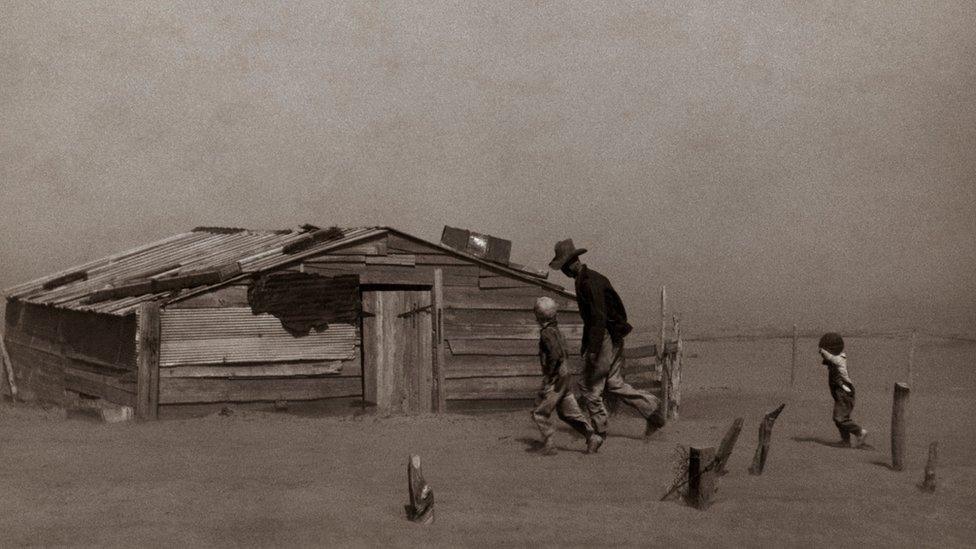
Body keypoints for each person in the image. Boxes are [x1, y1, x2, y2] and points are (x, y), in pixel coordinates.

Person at [548, 239, 664, 443]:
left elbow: (598, 318)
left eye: (564, 267)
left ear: (572, 263)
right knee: (614, 383)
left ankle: (599, 432)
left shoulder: (589, 283)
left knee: (588, 385)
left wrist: (593, 350)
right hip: (612, 336)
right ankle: (652, 412)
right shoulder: (587, 279)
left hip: (605, 337)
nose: (564, 272)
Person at [531, 297, 603, 455]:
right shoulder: (558, 331)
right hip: (565, 377)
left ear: (538, 316)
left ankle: (549, 444)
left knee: (539, 411)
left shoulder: (546, 333)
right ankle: (592, 436)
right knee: (567, 412)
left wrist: (550, 376)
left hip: (556, 377)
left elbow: (555, 355)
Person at [818, 332, 868, 448]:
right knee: (840, 418)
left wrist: (822, 349)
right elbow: (827, 359)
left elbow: (829, 357)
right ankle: (845, 441)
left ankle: (860, 432)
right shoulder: (835, 358)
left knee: (839, 418)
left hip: (845, 392)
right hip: (839, 392)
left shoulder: (840, 359)